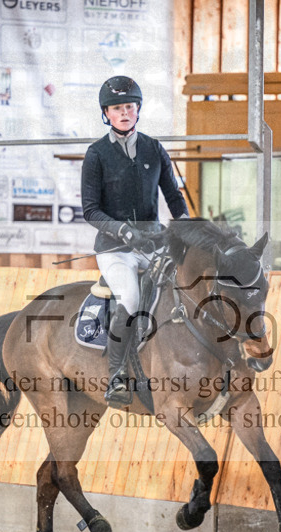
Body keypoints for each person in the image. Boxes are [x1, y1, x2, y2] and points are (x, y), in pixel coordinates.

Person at [81, 75, 188, 407]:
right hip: (116, 251)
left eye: (129, 106)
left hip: (153, 246)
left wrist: (184, 227)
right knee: (130, 295)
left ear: (138, 109)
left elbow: (174, 197)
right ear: (107, 114)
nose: (124, 112)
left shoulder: (154, 149)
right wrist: (122, 230)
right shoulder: (96, 154)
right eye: (117, 108)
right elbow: (90, 210)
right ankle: (116, 375)